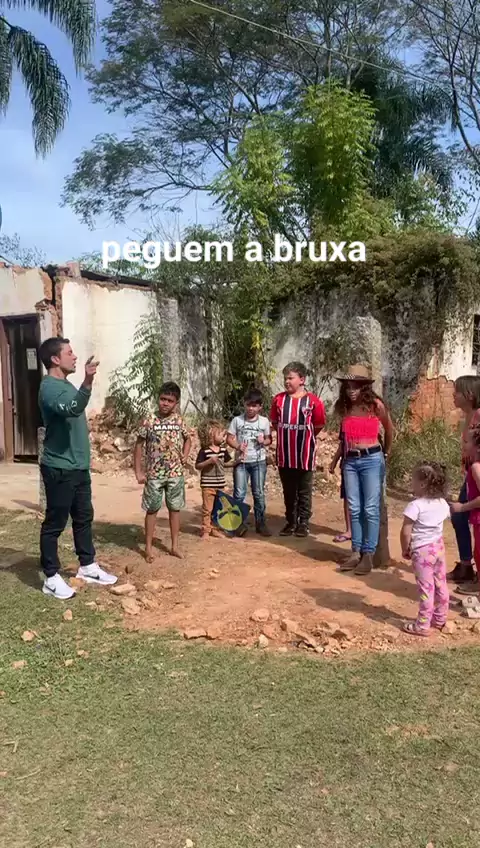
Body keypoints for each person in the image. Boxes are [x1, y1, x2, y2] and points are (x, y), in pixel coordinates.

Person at [38, 337, 118, 599]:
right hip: (59, 468)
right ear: (55, 359)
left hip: (78, 467)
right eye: (69, 353)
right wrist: (87, 381)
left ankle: (87, 566)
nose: (74, 357)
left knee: (83, 517)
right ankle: (51, 577)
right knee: (55, 523)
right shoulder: (49, 388)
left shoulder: (65, 384)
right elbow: (73, 408)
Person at [334, 364, 393, 574]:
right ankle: (355, 552)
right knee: (354, 507)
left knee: (370, 508)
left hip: (371, 459)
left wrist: (385, 452)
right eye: (348, 386)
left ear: (364, 387)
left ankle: (368, 554)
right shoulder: (345, 408)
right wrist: (336, 460)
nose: (351, 390)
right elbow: (343, 439)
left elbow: (389, 429)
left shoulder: (376, 406)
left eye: (356, 386)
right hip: (350, 461)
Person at [134, 382, 191, 561]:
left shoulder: (179, 421)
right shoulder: (149, 420)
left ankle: (174, 547)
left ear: (176, 403)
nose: (165, 403)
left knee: (175, 509)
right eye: (163, 399)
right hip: (154, 475)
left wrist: (185, 455)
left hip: (175, 474)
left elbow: (188, 439)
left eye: (170, 401)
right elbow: (138, 445)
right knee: (152, 510)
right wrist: (138, 472)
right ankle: (148, 548)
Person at [270, 362, 325, 537]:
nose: (287, 381)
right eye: (285, 378)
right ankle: (290, 521)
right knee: (288, 490)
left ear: (302, 379)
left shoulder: (313, 401)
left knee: (304, 490)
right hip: (285, 455)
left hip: (305, 454)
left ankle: (304, 523)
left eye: (290, 378)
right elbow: (275, 423)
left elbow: (318, 425)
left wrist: (305, 437)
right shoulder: (278, 400)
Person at [400, 461, 450, 636]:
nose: (411, 483)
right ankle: (440, 618)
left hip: (422, 551)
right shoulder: (443, 503)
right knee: (441, 583)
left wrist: (405, 549)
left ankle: (422, 625)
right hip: (438, 548)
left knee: (426, 588)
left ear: (422, 484)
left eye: (413, 480)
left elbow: (406, 531)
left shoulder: (415, 506)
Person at [448, 375, 480, 589]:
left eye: (457, 392)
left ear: (469, 395)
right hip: (470, 474)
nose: (453, 395)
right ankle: (466, 564)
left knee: (464, 515)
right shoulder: (469, 416)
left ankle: (469, 567)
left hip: (476, 474)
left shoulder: (478, 416)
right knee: (459, 516)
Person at [227, 389, 272, 536]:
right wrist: (238, 446)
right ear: (244, 404)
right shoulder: (237, 420)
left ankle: (261, 523)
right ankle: (237, 524)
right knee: (239, 493)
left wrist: (263, 441)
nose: (250, 408)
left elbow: (269, 439)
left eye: (254, 405)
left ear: (260, 407)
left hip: (259, 462)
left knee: (258, 493)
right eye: (248, 405)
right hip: (241, 462)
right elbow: (229, 438)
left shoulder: (264, 421)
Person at [195, 420, 237, 538]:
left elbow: (225, 463)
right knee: (207, 509)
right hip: (208, 485)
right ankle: (205, 530)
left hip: (220, 486)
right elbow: (198, 466)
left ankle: (215, 529)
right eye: (221, 435)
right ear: (211, 435)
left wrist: (236, 462)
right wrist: (209, 461)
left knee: (218, 509)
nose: (224, 438)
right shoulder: (204, 451)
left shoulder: (223, 450)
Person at [329, 425, 351, 543]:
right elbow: (343, 444)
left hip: (367, 464)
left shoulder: (372, 418)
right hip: (348, 463)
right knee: (348, 497)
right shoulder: (345, 421)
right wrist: (334, 461)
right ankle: (350, 530)